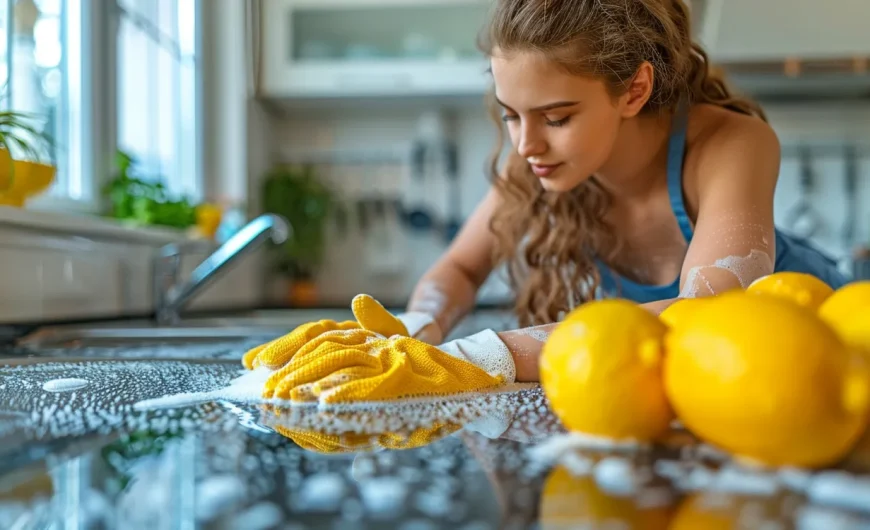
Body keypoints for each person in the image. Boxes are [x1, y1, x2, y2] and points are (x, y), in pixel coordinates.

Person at [246, 0, 851, 400]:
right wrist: (413, 331)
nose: (527, 144)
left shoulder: (729, 143)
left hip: (831, 362)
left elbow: (709, 317)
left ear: (634, 89)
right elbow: (460, 267)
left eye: (556, 116)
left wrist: (482, 354)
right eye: (510, 116)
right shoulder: (542, 160)